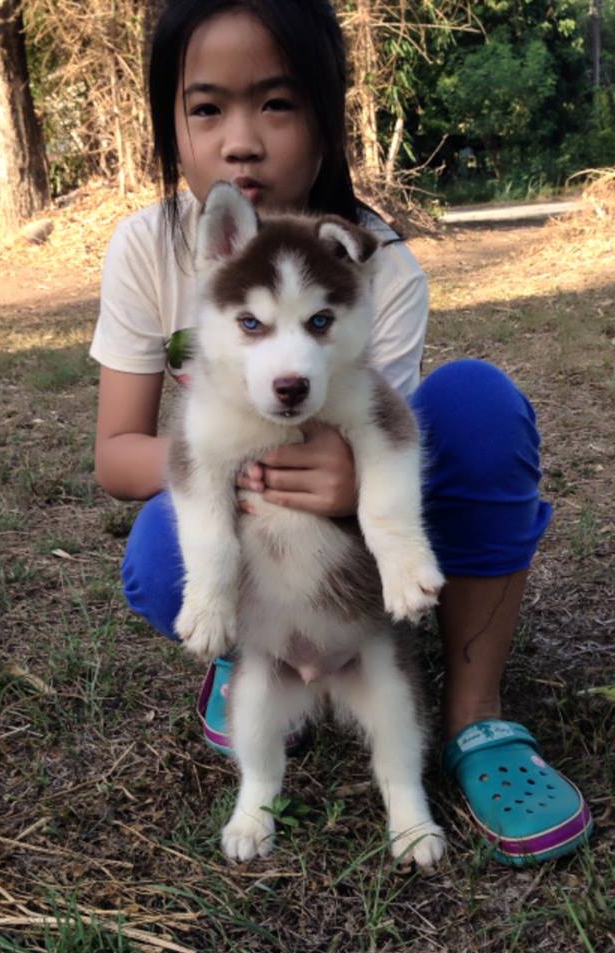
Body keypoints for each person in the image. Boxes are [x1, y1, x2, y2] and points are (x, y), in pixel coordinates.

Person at [90, 0, 592, 866]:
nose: (241, 142)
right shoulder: (151, 247)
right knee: (163, 549)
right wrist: (232, 467)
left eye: (276, 104)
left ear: (326, 119)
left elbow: (382, 430)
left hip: (349, 560)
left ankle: (475, 716)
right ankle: (248, 666)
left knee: (475, 402)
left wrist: (357, 486)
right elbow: (115, 452)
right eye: (207, 107)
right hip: (252, 554)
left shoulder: (370, 263)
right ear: (169, 124)